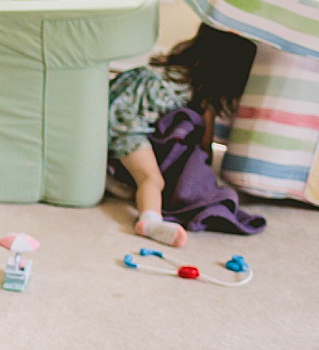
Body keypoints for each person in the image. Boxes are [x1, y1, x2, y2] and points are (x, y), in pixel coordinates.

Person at [107, 24, 257, 247]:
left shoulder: (170, 71)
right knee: (152, 179)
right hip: (127, 131)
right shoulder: (204, 94)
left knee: (146, 174)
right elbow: (204, 147)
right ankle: (149, 221)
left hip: (111, 112)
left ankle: (119, 177)